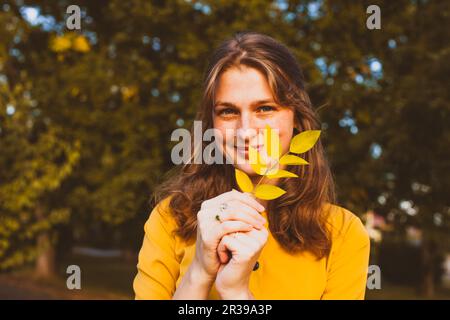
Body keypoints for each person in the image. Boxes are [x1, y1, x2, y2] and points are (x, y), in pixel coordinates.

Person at [133, 31, 370, 300]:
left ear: (296, 117)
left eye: (265, 108)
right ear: (211, 123)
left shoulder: (341, 234)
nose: (245, 131)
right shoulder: (170, 219)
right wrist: (199, 271)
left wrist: (236, 292)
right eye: (228, 111)